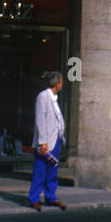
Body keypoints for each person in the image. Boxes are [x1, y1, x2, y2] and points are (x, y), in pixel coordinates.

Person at [29, 71, 67, 211]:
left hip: (54, 140)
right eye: (61, 82)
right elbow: (40, 119)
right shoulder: (43, 97)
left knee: (52, 168)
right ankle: (34, 198)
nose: (62, 85)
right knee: (40, 169)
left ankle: (51, 196)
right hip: (45, 143)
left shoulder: (53, 98)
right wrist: (42, 142)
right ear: (57, 84)